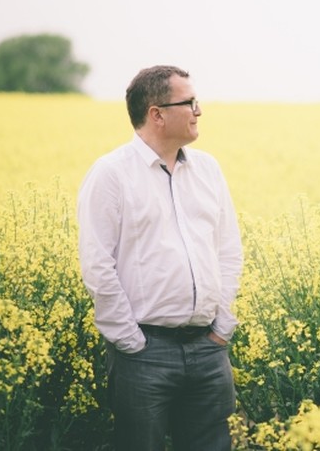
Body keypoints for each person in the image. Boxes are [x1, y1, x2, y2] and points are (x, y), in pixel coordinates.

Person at [78, 65, 243, 451]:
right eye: (189, 102)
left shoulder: (208, 169)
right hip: (145, 352)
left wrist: (223, 326)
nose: (198, 110)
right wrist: (131, 341)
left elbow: (229, 251)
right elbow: (97, 265)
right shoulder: (111, 174)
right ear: (157, 114)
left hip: (208, 347)